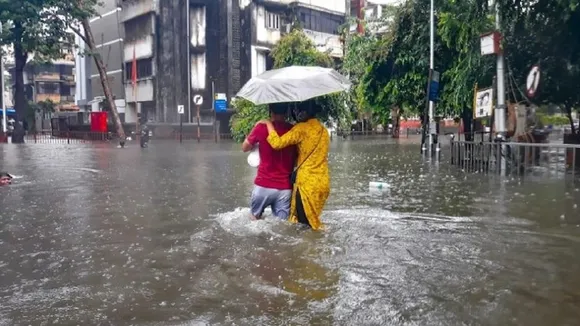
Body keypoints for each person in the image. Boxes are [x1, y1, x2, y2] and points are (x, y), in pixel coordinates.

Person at [258, 100, 330, 231]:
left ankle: (306, 251)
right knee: (313, 224)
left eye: (297, 111)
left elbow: (277, 143)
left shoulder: (301, 129)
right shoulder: (324, 131)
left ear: (303, 112)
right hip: (323, 184)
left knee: (303, 228)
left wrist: (268, 123)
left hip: (306, 185)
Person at [242, 103, 296, 220]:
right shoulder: (293, 131)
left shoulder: (261, 127)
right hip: (285, 189)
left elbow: (244, 148)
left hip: (263, 185)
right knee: (281, 227)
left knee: (254, 220)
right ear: (287, 112)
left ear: (270, 111)